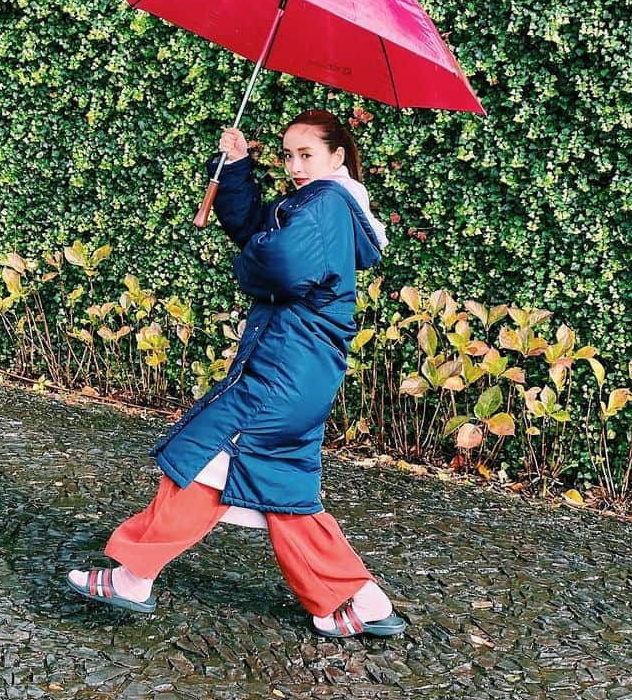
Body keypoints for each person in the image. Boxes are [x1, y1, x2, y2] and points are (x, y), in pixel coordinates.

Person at [67, 109, 405, 639]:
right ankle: (360, 600)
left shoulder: (326, 203)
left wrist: (248, 263)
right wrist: (237, 167)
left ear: (337, 157)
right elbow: (256, 227)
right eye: (287, 155)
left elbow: (280, 265)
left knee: (202, 452)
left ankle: (135, 575)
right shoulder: (321, 203)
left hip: (282, 372)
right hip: (299, 372)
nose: (295, 165)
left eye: (306, 155)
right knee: (282, 488)